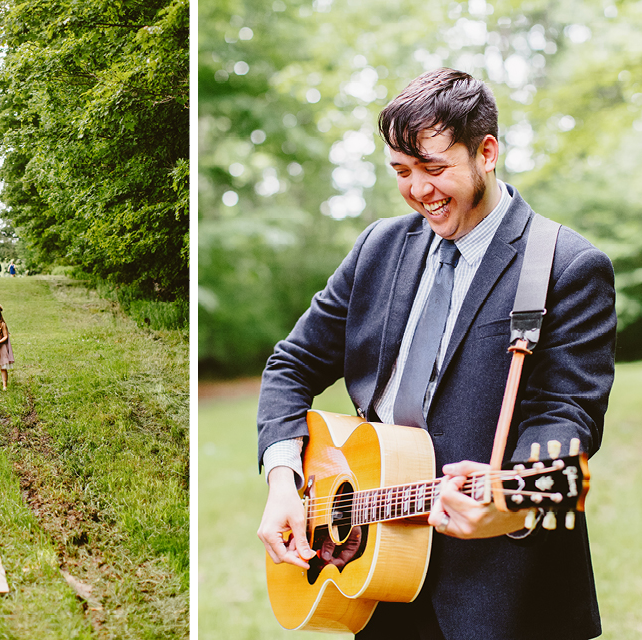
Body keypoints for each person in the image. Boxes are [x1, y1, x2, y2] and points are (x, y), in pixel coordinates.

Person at [256, 68, 616, 640]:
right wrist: (283, 480)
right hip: (374, 572)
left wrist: (516, 499)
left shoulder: (567, 266)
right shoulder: (378, 247)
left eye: (434, 167)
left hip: (504, 593)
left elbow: (568, 416)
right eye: (402, 171)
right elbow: (291, 364)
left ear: (487, 152)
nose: (419, 189)